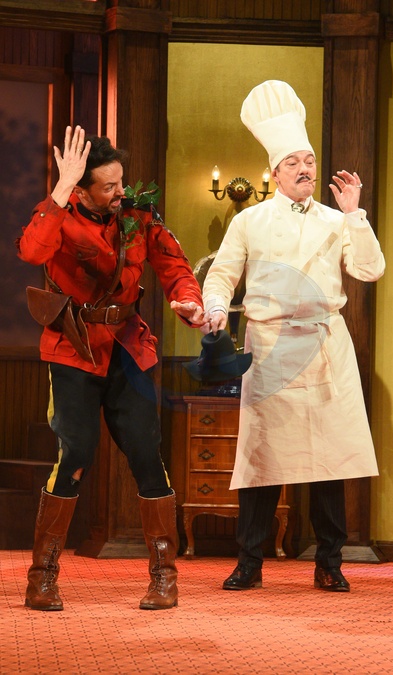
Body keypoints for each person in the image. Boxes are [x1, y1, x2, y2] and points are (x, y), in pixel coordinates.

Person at [202, 80, 386, 593]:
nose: (305, 168)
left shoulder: (337, 219)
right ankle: (249, 561)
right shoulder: (249, 220)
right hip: (271, 347)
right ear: (276, 172)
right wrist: (215, 307)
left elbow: (370, 270)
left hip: (326, 345)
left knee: (330, 460)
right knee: (262, 459)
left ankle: (329, 562)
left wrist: (355, 215)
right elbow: (221, 276)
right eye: (294, 162)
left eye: (310, 160)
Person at [17, 125, 207, 611]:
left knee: (146, 453)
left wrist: (187, 301)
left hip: (127, 348)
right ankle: (43, 577)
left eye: (122, 181)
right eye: (109, 186)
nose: (121, 191)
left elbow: (175, 266)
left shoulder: (138, 215)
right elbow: (31, 251)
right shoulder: (60, 214)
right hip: (73, 349)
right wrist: (61, 189)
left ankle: (164, 577)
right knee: (75, 452)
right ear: (82, 190)